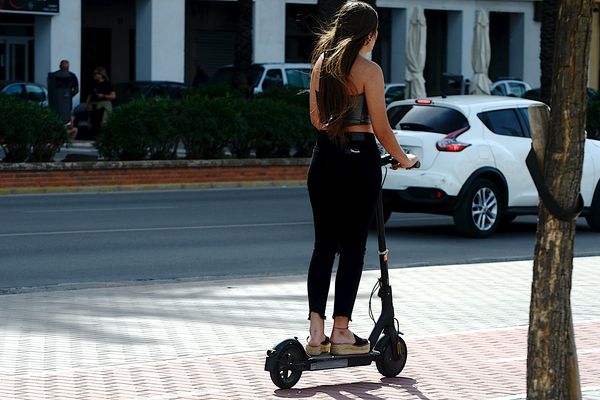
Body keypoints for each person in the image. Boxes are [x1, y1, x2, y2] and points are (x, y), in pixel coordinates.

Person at [305, 0, 418, 356]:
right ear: (368, 35)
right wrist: (406, 159)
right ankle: (341, 333)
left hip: (324, 159)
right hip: (359, 162)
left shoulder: (321, 65)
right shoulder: (370, 71)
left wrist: (338, 129)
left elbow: (315, 120)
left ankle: (315, 333)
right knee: (353, 246)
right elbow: (382, 129)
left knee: (323, 246)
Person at [86, 66, 116, 137]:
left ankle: (104, 138)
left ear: (101, 74)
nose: (94, 75)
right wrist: (87, 104)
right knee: (92, 124)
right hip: (93, 106)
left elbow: (113, 96)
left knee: (104, 123)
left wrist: (103, 96)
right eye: (94, 73)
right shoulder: (93, 84)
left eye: (96, 73)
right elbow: (90, 96)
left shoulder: (107, 84)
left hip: (104, 105)